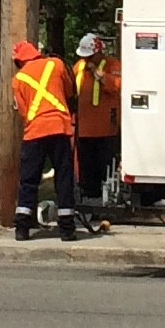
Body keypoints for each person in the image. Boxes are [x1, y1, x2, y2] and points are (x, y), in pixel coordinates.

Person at [9, 37, 84, 240]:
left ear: (19, 61)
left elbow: (24, 112)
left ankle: (22, 228)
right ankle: (67, 229)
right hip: (59, 128)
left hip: (35, 133)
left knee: (29, 180)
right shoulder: (56, 64)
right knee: (63, 178)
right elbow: (69, 91)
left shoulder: (18, 80)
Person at [71, 30, 120, 221]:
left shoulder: (113, 65)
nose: (87, 59)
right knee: (87, 168)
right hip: (84, 129)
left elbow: (119, 86)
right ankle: (89, 201)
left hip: (106, 128)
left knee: (106, 166)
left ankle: (106, 204)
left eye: (89, 55)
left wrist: (101, 76)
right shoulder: (79, 67)